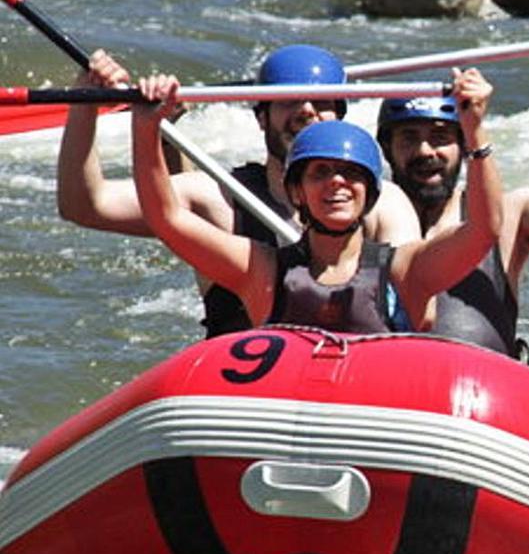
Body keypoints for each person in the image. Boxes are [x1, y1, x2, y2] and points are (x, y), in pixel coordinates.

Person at [56, 45, 421, 336]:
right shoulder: (217, 196)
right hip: (243, 389)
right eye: (290, 101)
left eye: (323, 103)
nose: (308, 111)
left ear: (340, 119)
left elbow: (412, 300)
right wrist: (85, 105)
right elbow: (86, 204)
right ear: (261, 117)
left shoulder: (382, 202)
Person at [130, 70, 503, 334]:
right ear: (296, 192)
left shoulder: (406, 270)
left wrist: (474, 129)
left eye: (351, 173)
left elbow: (484, 230)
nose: (337, 182)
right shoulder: (262, 270)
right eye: (320, 172)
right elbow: (165, 217)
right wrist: (146, 127)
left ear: (371, 194)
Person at [375, 24, 529, 360]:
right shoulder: (360, 215)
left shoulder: (510, 215)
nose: (425, 151)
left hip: (479, 397)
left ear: (464, 145)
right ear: (386, 148)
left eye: (439, 137)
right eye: (409, 138)